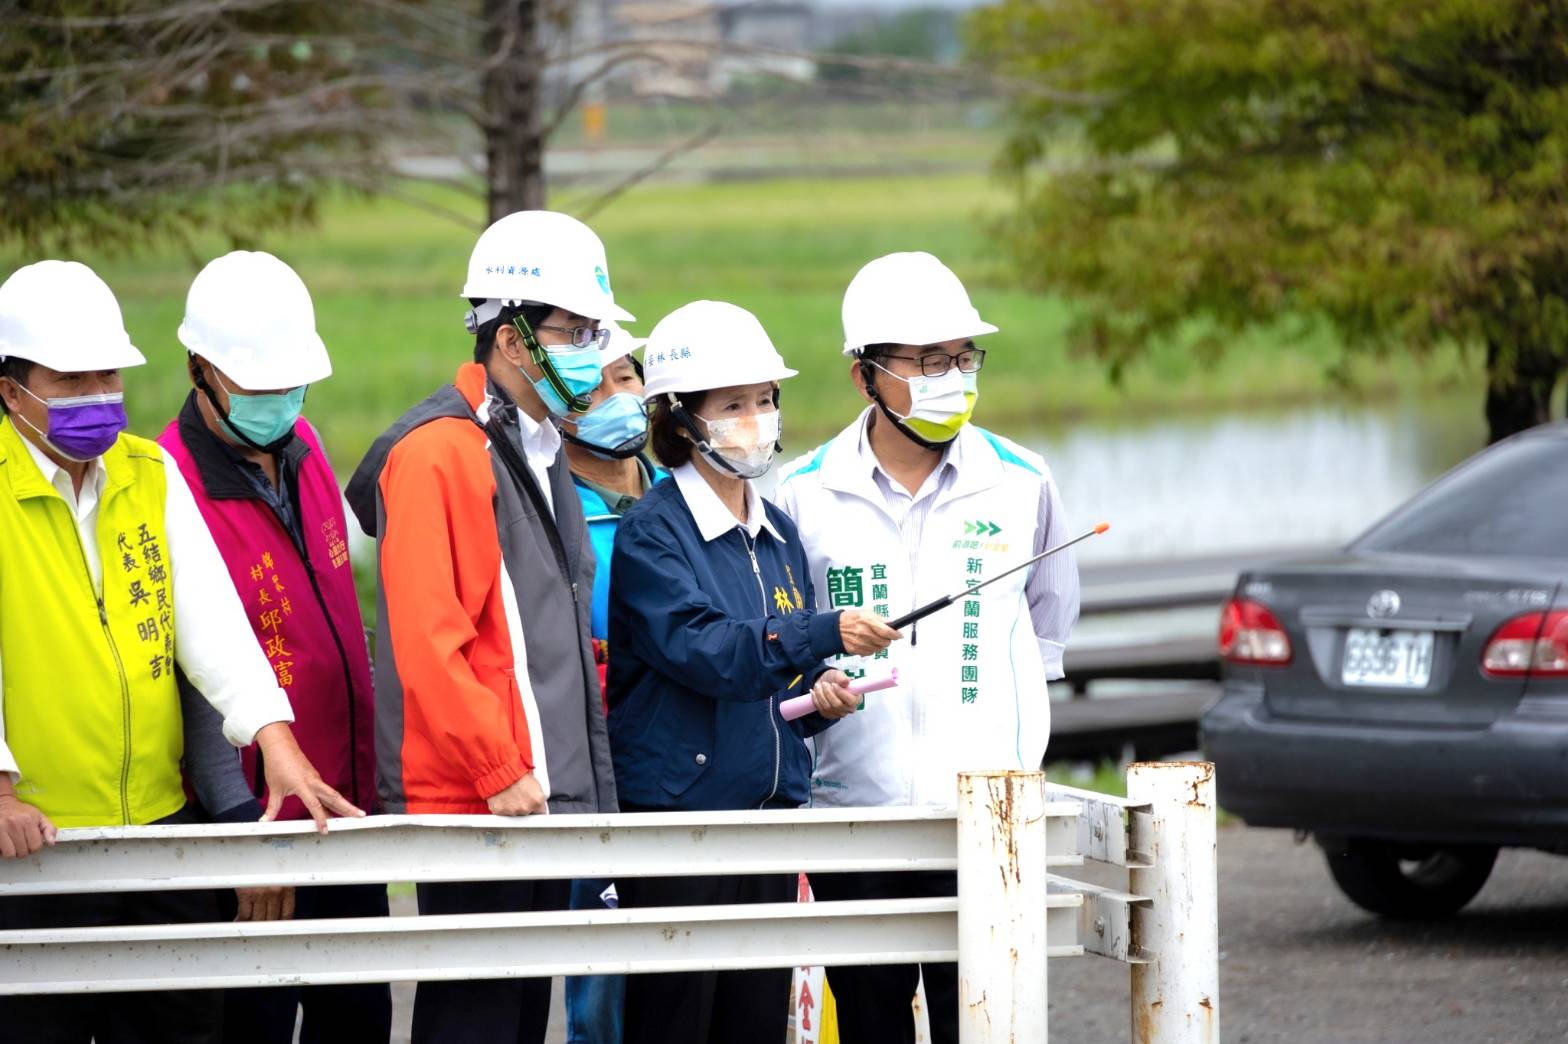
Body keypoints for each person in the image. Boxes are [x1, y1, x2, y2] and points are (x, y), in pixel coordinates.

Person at [0, 259, 361, 1043]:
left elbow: (214, 629)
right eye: (71, 379)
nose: (98, 394)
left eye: (108, 374)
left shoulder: (147, 471)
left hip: (161, 832)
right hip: (37, 841)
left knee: (181, 1030)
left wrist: (276, 739)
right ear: (10, 389)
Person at [771, 251, 1081, 1044]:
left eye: (962, 358)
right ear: (864, 376)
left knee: (987, 1025)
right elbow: (789, 641)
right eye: (926, 361)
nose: (952, 376)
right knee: (871, 1024)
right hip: (857, 819)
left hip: (986, 821)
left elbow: (1047, 631)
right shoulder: (801, 494)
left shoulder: (1022, 483)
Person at [345, 210, 624, 1044]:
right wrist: (499, 766)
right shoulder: (441, 450)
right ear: (510, 339)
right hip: (481, 798)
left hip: (532, 796)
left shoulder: (534, 444)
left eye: (595, 329)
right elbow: (430, 640)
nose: (593, 348)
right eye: (574, 330)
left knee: (512, 1015)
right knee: (472, 1021)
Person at [607, 299, 900, 1044]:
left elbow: (778, 668)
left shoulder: (777, 533)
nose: (757, 417)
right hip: (685, 824)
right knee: (675, 1024)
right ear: (679, 421)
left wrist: (820, 692)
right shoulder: (653, 534)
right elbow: (706, 650)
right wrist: (820, 630)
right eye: (733, 404)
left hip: (768, 817)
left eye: (766, 399)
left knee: (755, 1023)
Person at [156, 251, 390, 1043]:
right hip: (257, 822)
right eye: (259, 387)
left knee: (357, 1021)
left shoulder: (306, 446)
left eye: (293, 383)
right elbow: (189, 682)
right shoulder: (169, 481)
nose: (280, 401)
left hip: (344, 803)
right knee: (252, 1025)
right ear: (201, 371)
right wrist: (243, 834)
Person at [558, 319, 665, 1044]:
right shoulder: (549, 512)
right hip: (594, 776)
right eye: (591, 386)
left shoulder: (686, 497)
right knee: (603, 989)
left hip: (686, 770)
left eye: (624, 377)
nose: (615, 396)